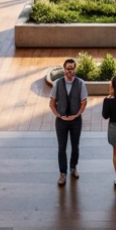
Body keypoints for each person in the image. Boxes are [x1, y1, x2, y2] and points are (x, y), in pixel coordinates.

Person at [48, 57, 89, 186]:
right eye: (67, 69)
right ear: (64, 69)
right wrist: (58, 115)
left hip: (76, 121)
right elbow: (51, 103)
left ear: (74, 70)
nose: (69, 71)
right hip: (61, 122)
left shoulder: (81, 83)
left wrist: (77, 114)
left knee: (75, 145)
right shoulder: (57, 84)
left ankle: (73, 167)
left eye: (71, 69)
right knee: (62, 147)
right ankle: (62, 173)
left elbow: (84, 102)